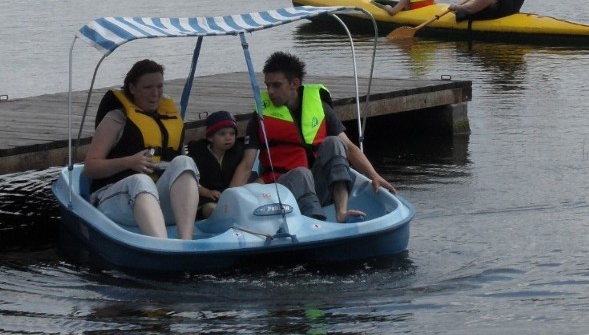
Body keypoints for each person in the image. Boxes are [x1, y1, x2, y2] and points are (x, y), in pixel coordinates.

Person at [230, 51, 396, 223]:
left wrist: (373, 175)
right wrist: (228, 202)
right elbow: (247, 165)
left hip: (318, 185)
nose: (270, 91)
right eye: (267, 85)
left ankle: (341, 212)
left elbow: (349, 148)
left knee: (335, 142)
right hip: (283, 192)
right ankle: (317, 223)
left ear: (294, 83)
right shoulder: (261, 117)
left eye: (276, 85)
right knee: (301, 174)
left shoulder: (320, 108)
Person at [83, 58, 200, 239]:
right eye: (148, 88)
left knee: (185, 162)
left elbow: (178, 171)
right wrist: (129, 162)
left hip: (154, 200)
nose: (155, 94)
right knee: (140, 180)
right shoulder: (116, 119)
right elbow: (90, 168)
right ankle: (161, 247)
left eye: (159, 87)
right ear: (132, 88)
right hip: (116, 201)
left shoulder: (168, 118)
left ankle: (186, 241)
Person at [187, 110, 246, 219]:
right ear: (210, 137)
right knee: (211, 209)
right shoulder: (198, 154)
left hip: (229, 197)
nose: (228, 137)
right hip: (206, 198)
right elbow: (191, 180)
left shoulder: (239, 152)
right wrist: (207, 192)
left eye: (232, 134)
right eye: (222, 134)